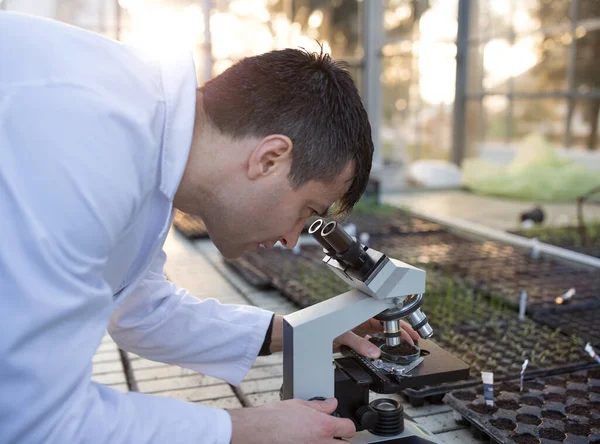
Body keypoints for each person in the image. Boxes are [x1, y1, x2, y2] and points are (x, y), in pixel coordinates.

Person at [0, 12, 419, 444]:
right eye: (306, 210)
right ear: (269, 158)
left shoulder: (146, 141)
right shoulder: (92, 147)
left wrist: (295, 333)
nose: (291, 239)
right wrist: (241, 429)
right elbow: (33, 419)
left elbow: (139, 308)